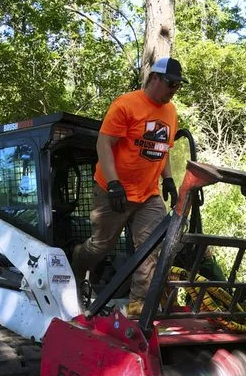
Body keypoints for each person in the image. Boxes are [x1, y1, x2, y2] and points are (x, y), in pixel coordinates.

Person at [72, 56, 186, 316]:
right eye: (170, 83)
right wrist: (114, 183)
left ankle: (138, 304)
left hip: (148, 194)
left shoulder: (170, 112)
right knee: (101, 246)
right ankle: (78, 262)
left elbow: (163, 149)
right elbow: (103, 144)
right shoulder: (126, 105)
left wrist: (168, 179)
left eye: (178, 85)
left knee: (151, 245)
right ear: (154, 78)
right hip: (114, 191)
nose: (174, 89)